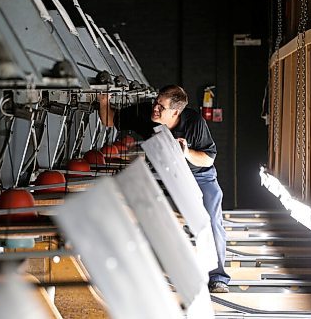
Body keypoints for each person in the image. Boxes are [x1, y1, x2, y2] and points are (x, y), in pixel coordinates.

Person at [98, 84, 230, 293]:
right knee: (143, 210)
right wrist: (103, 99)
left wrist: (186, 152)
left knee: (211, 219)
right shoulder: (146, 114)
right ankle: (145, 270)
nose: (156, 109)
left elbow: (208, 158)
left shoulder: (194, 122)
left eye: (162, 107)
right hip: (166, 173)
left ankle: (218, 276)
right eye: (156, 103)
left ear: (176, 112)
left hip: (199, 175)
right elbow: (109, 119)